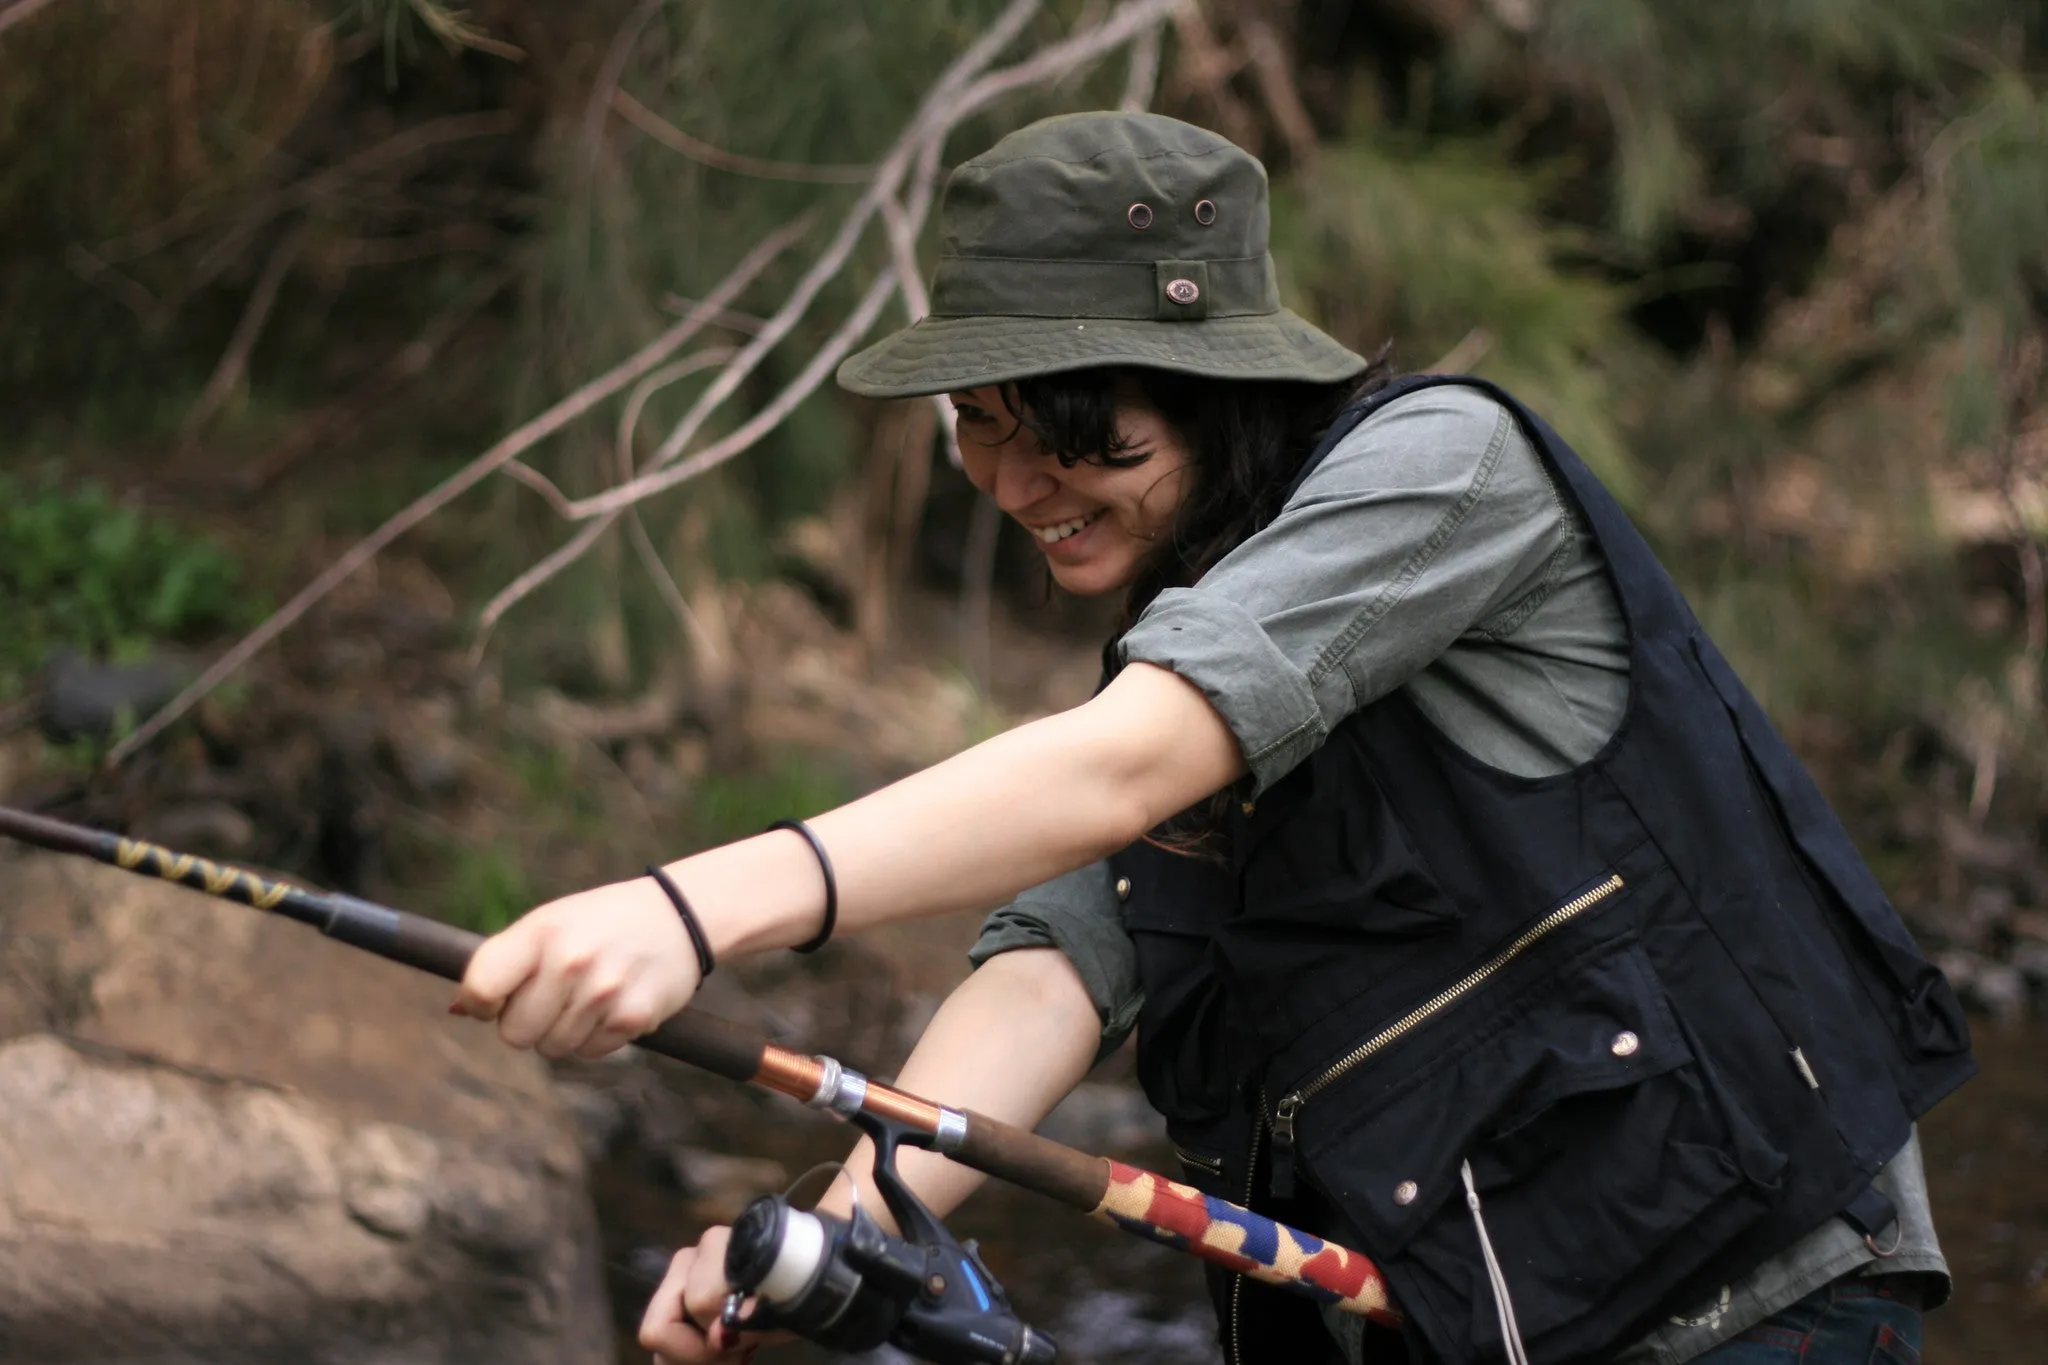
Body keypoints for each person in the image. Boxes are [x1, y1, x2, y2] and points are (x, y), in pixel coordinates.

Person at [451, 112, 1974, 1365]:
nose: (1008, 474)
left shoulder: (1447, 474)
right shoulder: (1188, 642)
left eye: (1052, 416)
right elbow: (1054, 968)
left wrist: (688, 907)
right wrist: (841, 1235)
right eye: (973, 421)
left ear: (1207, 380)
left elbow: (1118, 768)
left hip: (1755, 1303)